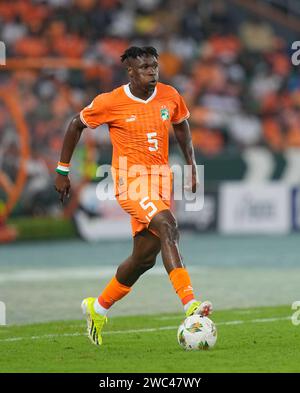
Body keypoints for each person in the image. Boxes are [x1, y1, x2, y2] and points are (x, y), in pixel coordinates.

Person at [55, 46, 212, 346]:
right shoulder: (111, 101)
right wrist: (63, 171)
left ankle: (97, 308)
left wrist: (192, 164)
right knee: (169, 226)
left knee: (143, 259)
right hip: (131, 181)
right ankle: (190, 305)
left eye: (155, 66)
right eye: (145, 68)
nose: (152, 72)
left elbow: (181, 125)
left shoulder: (170, 95)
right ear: (130, 71)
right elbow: (76, 124)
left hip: (161, 182)